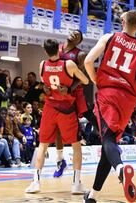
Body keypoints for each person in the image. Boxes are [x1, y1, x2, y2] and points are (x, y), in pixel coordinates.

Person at [83, 10, 136, 203]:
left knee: (108, 140)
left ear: (122, 21)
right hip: (128, 99)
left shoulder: (109, 38)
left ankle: (121, 169)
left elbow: (88, 60)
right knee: (110, 142)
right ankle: (93, 196)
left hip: (108, 93)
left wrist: (95, 79)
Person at [25, 39, 89, 193]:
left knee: (43, 145)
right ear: (59, 50)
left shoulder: (42, 65)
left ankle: (36, 182)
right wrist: (69, 88)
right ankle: (75, 184)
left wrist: (47, 90)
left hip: (49, 107)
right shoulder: (69, 65)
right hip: (66, 108)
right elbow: (85, 80)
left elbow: (45, 86)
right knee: (76, 145)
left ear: (46, 52)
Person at [53, 30, 90, 185]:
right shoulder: (57, 48)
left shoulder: (79, 54)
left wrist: (69, 89)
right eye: (73, 33)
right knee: (57, 128)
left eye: (78, 36)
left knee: (85, 120)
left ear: (79, 41)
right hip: (57, 92)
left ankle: (110, 141)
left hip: (73, 93)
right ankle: (60, 160)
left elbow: (82, 78)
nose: (74, 35)